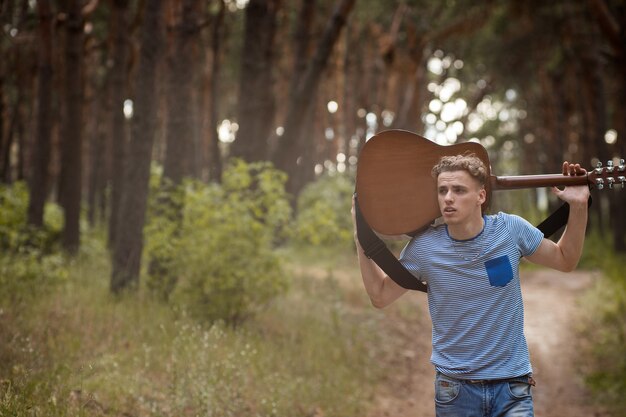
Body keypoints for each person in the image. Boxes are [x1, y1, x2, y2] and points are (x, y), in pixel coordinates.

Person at [352, 154, 590, 417]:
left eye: (458, 190)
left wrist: (578, 206)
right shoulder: (424, 248)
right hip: (455, 390)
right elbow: (380, 296)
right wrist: (360, 234)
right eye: (442, 190)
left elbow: (565, 259)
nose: (448, 198)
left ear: (481, 196)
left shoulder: (510, 230)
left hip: (512, 386)